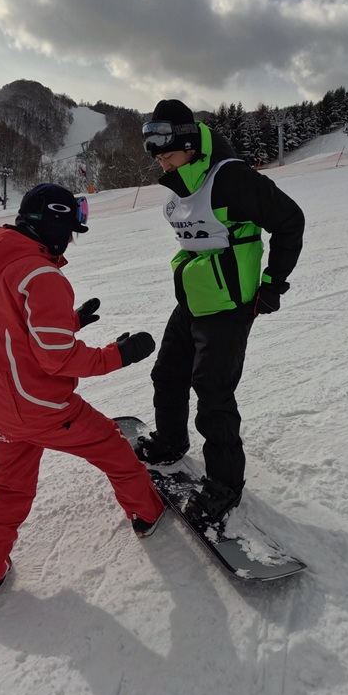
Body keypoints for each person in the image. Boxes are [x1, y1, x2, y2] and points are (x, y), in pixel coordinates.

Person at [0, 183, 165, 608]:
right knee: (112, 446)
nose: (70, 239)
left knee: (11, 487)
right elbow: (57, 359)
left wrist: (69, 319)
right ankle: (147, 512)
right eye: (70, 229)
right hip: (41, 409)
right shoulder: (41, 274)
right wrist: (119, 355)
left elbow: (14, 329)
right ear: (52, 225)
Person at [136, 99, 305, 525]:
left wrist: (273, 285)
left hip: (231, 304)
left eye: (166, 151)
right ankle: (171, 443)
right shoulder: (181, 183)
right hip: (194, 298)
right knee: (167, 374)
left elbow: (290, 220)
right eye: (155, 153)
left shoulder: (231, 178)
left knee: (212, 394)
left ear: (191, 145)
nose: (161, 161)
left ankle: (224, 486)